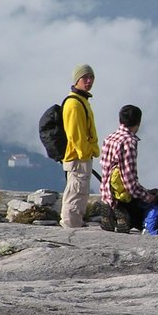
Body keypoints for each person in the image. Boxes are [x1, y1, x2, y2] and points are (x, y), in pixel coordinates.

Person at [99, 104, 155, 233]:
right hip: (122, 196)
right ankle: (122, 211)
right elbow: (128, 178)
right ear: (138, 122)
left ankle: (110, 208)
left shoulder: (109, 137)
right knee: (147, 215)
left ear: (120, 120)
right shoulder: (129, 141)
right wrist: (147, 196)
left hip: (106, 192)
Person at [60, 64, 99, 228]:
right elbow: (76, 135)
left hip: (82, 157)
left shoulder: (82, 100)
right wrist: (86, 153)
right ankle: (71, 225)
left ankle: (76, 223)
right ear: (77, 79)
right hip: (78, 158)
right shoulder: (74, 104)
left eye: (91, 78)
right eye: (85, 78)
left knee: (80, 193)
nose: (89, 81)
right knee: (76, 193)